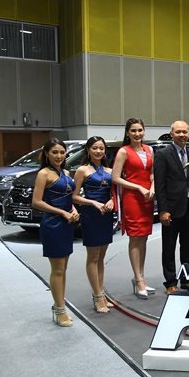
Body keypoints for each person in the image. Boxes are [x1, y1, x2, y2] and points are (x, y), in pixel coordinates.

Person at [32, 138, 79, 326]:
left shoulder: (66, 172)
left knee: (63, 268)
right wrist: (62, 212)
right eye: (54, 152)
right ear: (46, 154)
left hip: (67, 223)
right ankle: (59, 309)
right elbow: (37, 202)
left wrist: (73, 209)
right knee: (57, 269)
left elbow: (69, 197)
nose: (59, 156)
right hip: (53, 224)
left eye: (62, 152)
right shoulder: (43, 173)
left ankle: (60, 305)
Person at [153, 121, 189, 295]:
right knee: (169, 247)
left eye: (185, 132)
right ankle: (170, 282)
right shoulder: (163, 154)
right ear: (171, 134)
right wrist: (163, 210)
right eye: (178, 132)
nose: (182, 135)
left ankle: (187, 280)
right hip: (171, 209)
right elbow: (159, 184)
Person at [112, 118, 155, 299]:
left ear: (144, 131)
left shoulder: (149, 150)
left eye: (140, 130)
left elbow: (152, 173)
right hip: (132, 198)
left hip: (148, 198)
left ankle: (141, 276)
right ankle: (138, 279)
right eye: (133, 131)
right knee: (135, 238)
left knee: (144, 238)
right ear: (127, 133)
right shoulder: (124, 151)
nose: (137, 134)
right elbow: (115, 178)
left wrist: (152, 187)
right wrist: (138, 187)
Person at [71, 136, 114, 313]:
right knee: (93, 257)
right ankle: (97, 297)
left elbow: (115, 193)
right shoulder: (82, 170)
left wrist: (112, 200)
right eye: (95, 148)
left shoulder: (110, 170)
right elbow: (73, 196)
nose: (98, 151)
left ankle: (101, 293)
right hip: (91, 215)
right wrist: (92, 202)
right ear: (88, 150)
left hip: (106, 215)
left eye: (101, 148)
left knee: (101, 257)